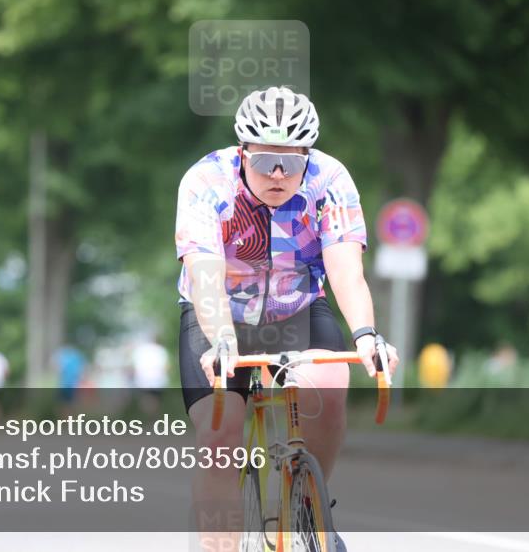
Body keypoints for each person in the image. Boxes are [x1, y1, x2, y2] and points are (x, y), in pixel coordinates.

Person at [175, 86, 400, 551]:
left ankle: (310, 508)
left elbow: (345, 271)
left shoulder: (331, 181)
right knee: (220, 434)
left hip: (295, 305)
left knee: (331, 385)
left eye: (291, 163)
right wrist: (220, 341)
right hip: (221, 314)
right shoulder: (205, 183)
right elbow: (204, 277)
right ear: (242, 153)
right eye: (263, 162)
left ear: (307, 156)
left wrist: (365, 335)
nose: (278, 174)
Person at [130, 333, 170, 415]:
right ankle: (153, 417)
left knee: (146, 399)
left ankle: (147, 415)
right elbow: (166, 367)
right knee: (156, 399)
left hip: (143, 379)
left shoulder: (140, 350)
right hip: (158, 380)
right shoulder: (160, 350)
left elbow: (134, 367)